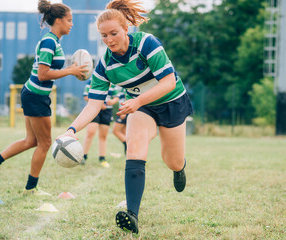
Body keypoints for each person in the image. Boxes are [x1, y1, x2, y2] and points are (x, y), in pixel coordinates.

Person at [58, 0, 193, 233]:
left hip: (171, 102)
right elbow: (93, 105)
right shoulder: (105, 66)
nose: (109, 40)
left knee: (172, 160)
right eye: (104, 36)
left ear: (126, 30)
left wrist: (138, 100)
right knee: (135, 148)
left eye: (114, 33)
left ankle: (179, 168)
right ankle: (132, 214)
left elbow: (169, 82)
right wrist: (71, 131)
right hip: (141, 109)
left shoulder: (147, 43)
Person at [0, 0, 88, 196]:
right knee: (44, 143)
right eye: (69, 20)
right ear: (58, 20)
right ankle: (31, 188)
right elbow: (43, 74)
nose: (72, 24)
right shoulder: (49, 42)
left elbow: (47, 72)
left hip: (34, 94)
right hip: (36, 96)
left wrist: (71, 71)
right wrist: (69, 71)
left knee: (31, 141)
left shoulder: (53, 41)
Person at [81, 80, 119, 168]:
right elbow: (86, 96)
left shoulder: (113, 82)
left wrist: (112, 102)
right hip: (93, 109)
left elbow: (116, 97)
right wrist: (99, 104)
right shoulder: (92, 80)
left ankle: (102, 158)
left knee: (103, 135)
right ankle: (83, 156)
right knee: (91, 132)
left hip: (107, 111)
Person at [112, 86, 127, 155]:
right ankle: (127, 153)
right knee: (124, 132)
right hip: (125, 110)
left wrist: (124, 111)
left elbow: (127, 97)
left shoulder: (125, 86)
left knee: (115, 131)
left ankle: (127, 144)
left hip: (125, 111)